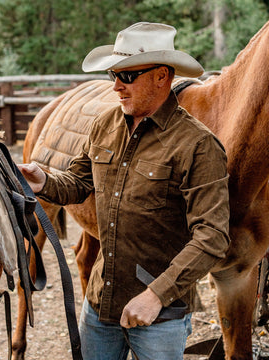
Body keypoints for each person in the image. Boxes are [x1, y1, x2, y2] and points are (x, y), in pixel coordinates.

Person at [19, 22, 230, 360]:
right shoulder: (105, 125)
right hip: (100, 304)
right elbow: (80, 183)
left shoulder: (198, 145)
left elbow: (213, 236)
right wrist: (42, 181)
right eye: (113, 75)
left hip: (161, 317)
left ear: (162, 76)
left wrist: (155, 296)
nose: (116, 86)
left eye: (127, 76)